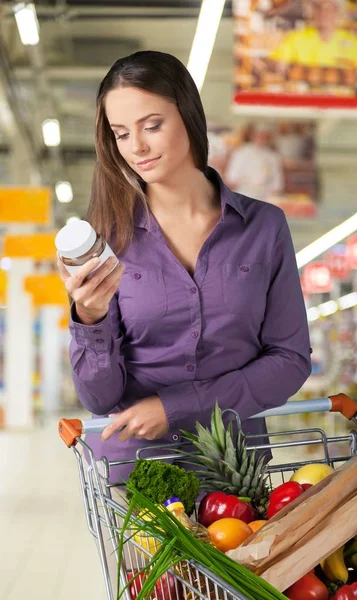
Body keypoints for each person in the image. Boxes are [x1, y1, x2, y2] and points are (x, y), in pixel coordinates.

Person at [58, 51, 311, 486]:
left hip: (237, 472)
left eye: (151, 126)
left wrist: (176, 407)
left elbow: (290, 360)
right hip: (137, 475)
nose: (136, 147)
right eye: (121, 134)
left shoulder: (264, 227)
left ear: (188, 116)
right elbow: (99, 399)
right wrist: (90, 319)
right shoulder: (110, 239)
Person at [271, 0, 357, 74]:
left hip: (340, 100)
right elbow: (279, 66)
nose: (324, 13)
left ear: (337, 13)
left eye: (329, 9)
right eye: (319, 8)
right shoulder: (296, 38)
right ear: (313, 13)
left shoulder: (351, 42)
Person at [225, 123, 284, 202]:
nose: (261, 138)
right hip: (244, 194)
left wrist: (276, 192)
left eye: (265, 136)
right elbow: (232, 176)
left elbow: (277, 179)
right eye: (259, 135)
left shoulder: (273, 156)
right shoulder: (240, 152)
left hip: (265, 197)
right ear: (252, 136)